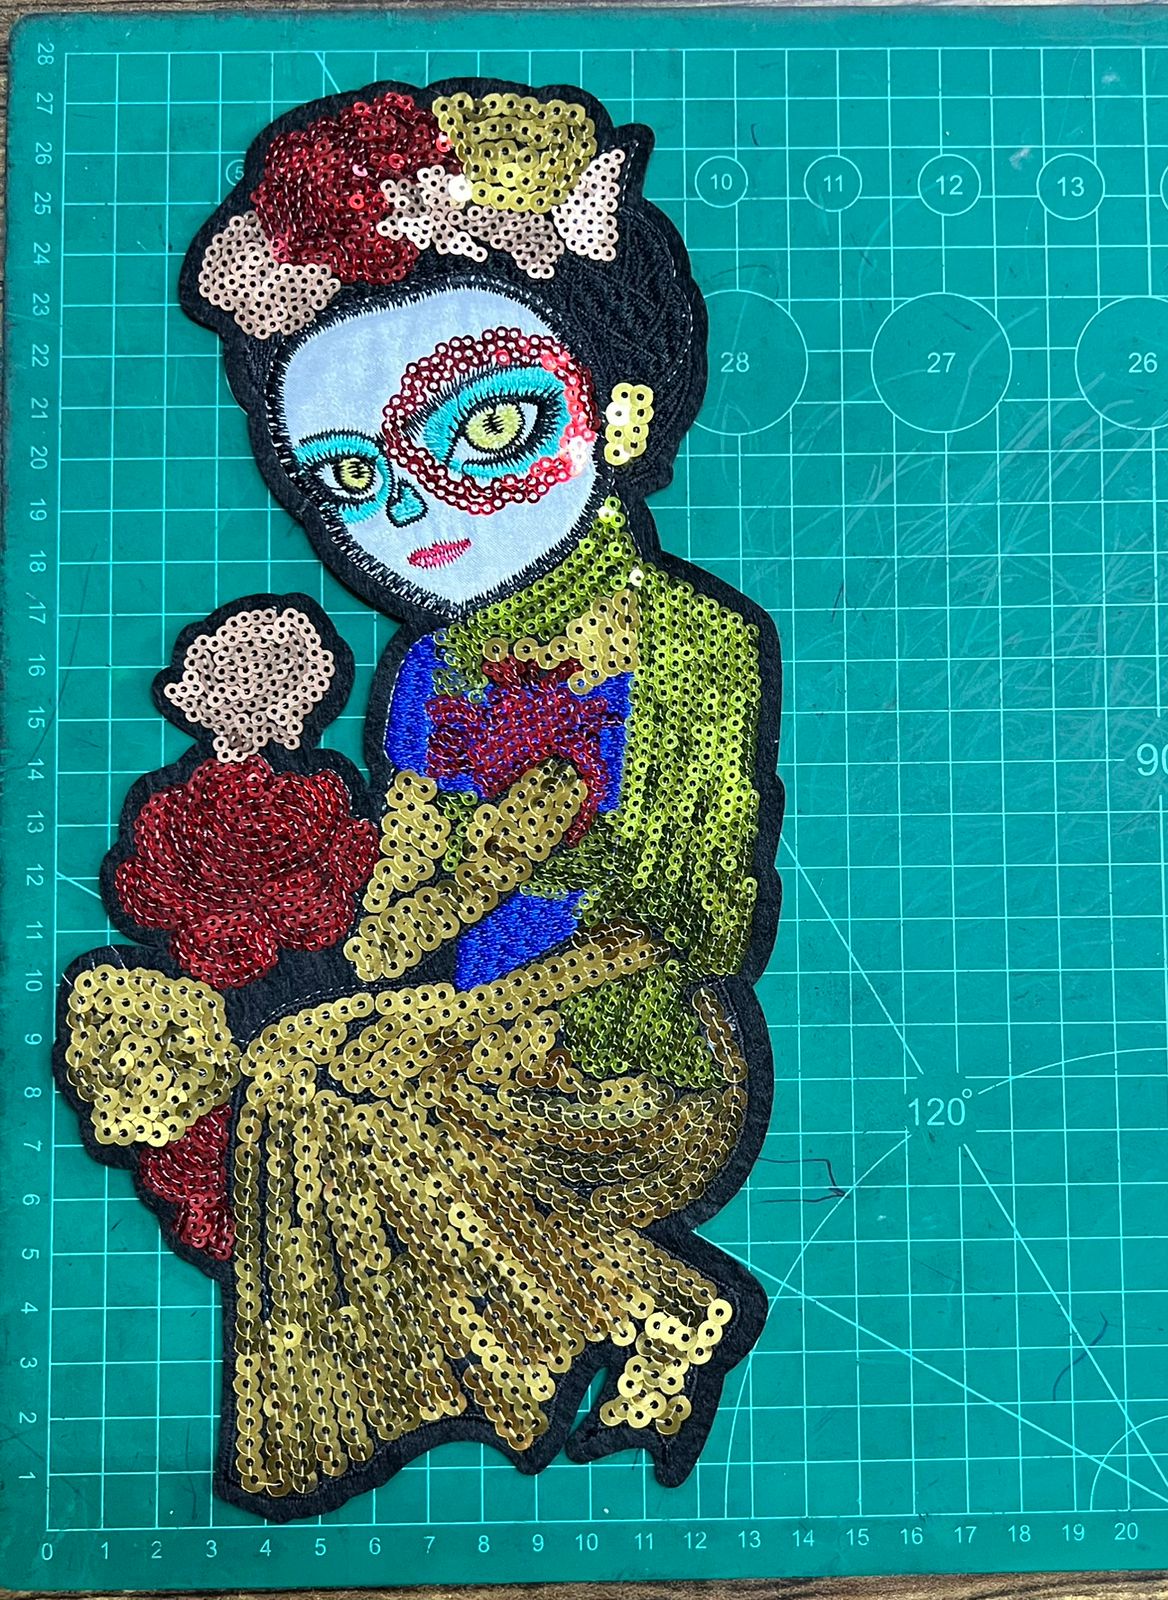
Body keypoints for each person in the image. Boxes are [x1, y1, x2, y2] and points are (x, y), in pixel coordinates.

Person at [53, 80, 781, 1521]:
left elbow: (688, 913)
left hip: (637, 1060)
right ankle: (620, 1316)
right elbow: (411, 876)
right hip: (458, 1040)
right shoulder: (431, 668)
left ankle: (632, 1308)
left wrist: (485, 969)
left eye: (488, 426)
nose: (414, 513)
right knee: (289, 1072)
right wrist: (350, 958)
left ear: (620, 409)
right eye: (349, 477)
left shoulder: (688, 641)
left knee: (330, 1085)